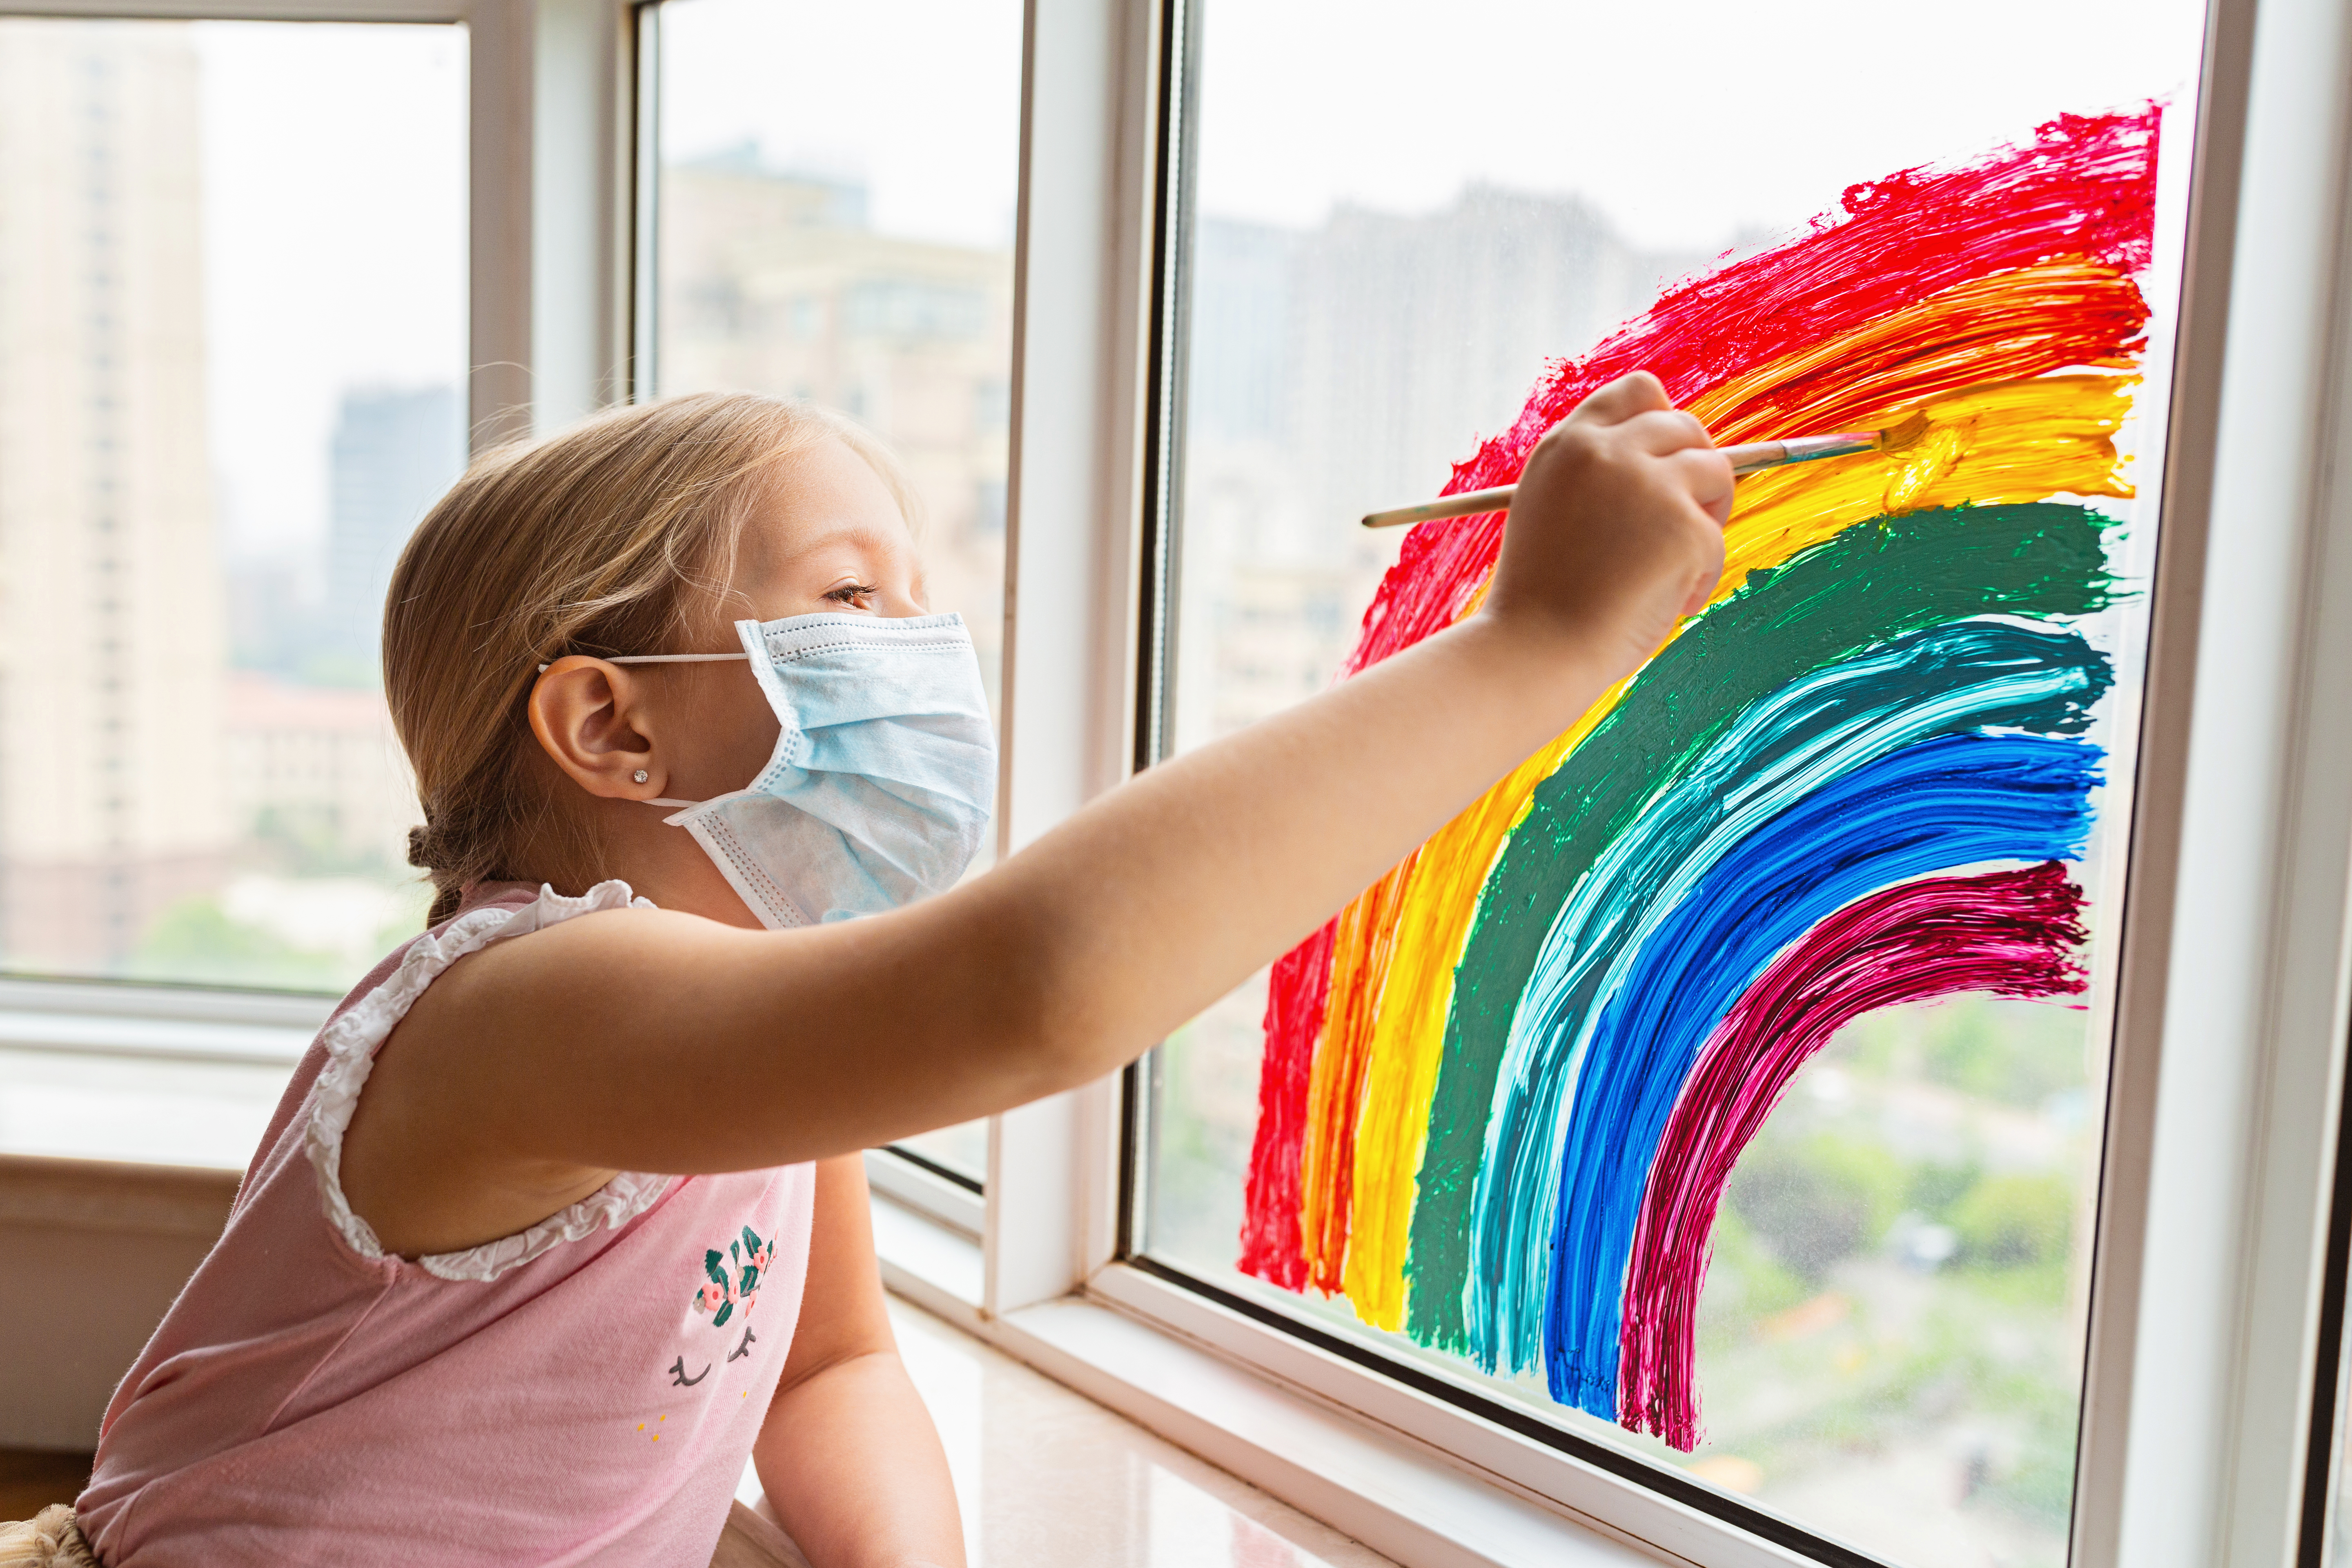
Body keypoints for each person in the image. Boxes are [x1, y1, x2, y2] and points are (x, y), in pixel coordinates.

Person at [56, 372, 1732, 1566]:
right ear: (610, 725)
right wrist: (1537, 646)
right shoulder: (531, 1003)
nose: (928, 659)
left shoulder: (750, 1036)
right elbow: (1039, 991)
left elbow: (825, 1362)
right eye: (854, 598)